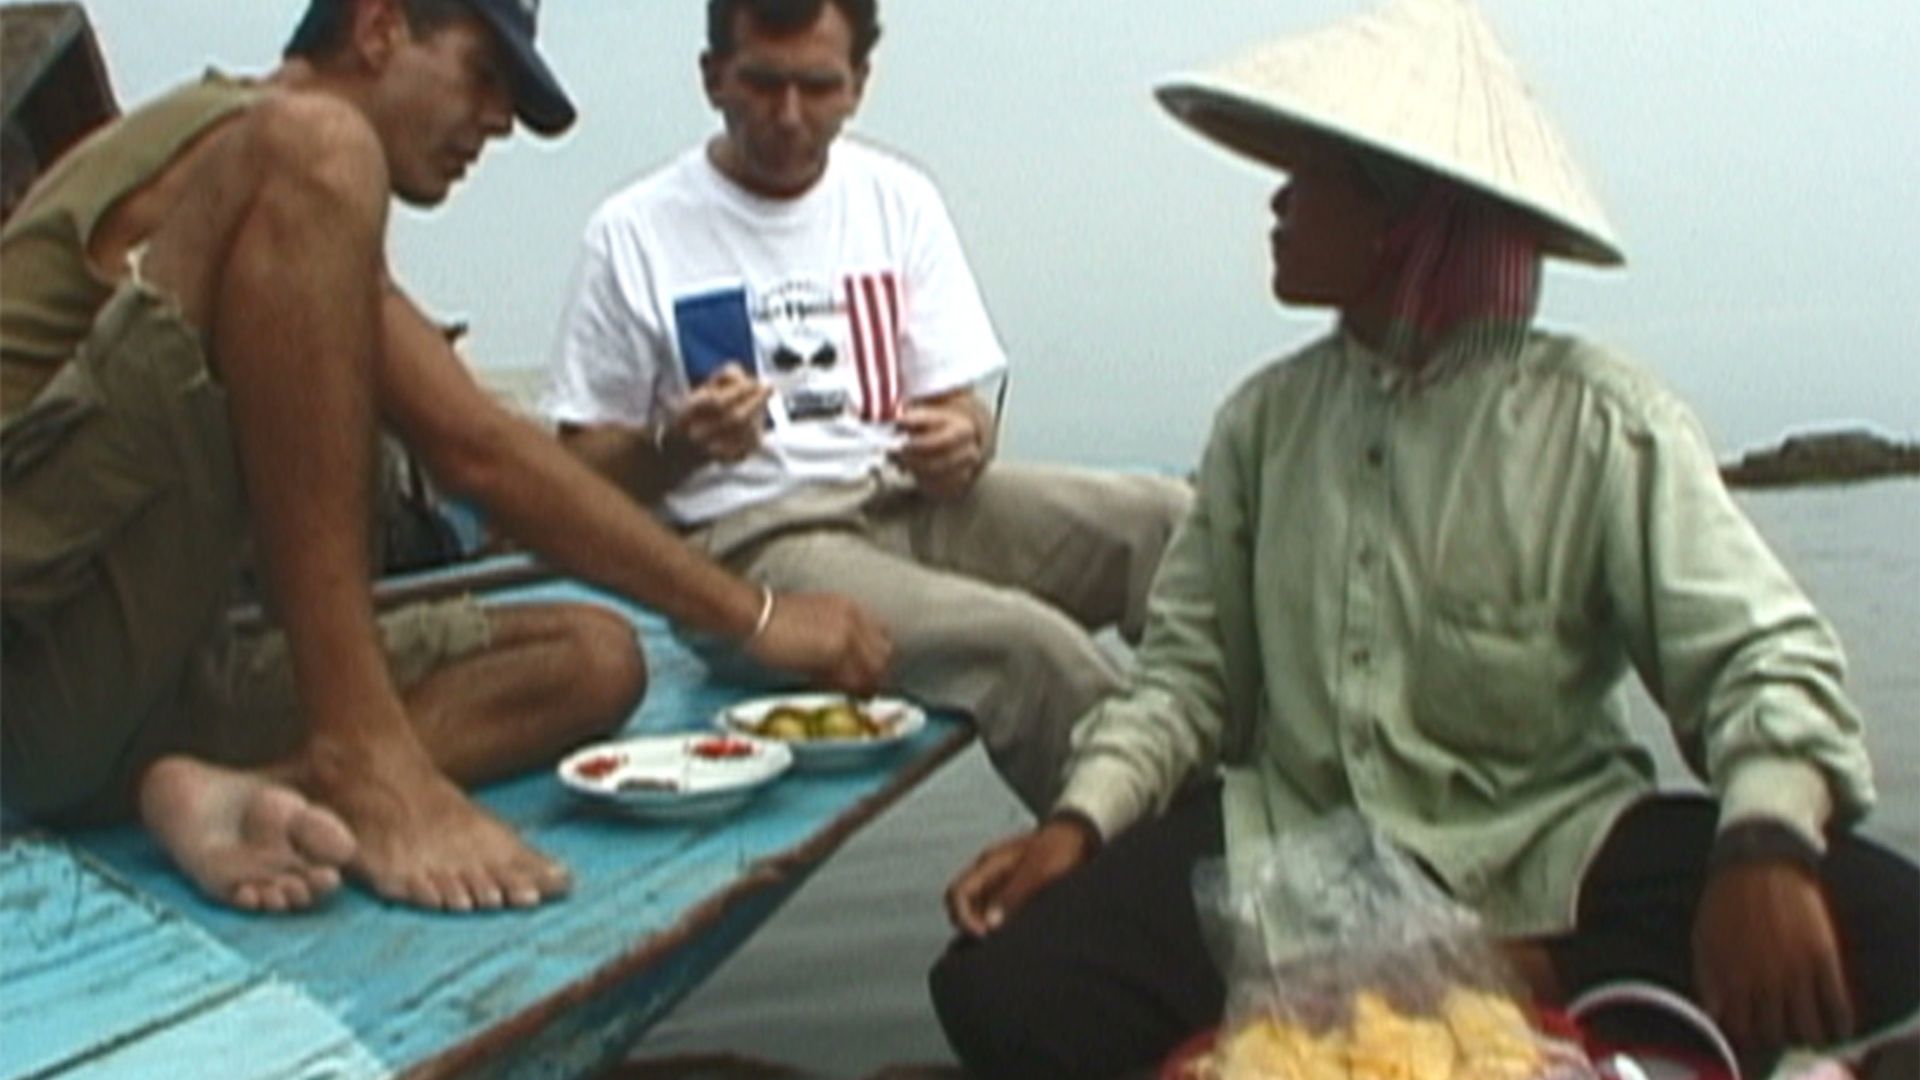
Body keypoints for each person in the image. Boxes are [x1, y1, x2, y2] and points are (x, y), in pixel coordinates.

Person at [927, 1, 1920, 1076]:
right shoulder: (1263, 424)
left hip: (1545, 863)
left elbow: (1760, 659)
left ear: (1404, 214)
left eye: (1308, 176)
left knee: (1881, 914)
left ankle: (1466, 982)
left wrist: (1764, 841)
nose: (1278, 202)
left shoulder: (1598, 420)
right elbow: (1183, 682)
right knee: (999, 987)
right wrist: (1077, 826)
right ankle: (1452, 994)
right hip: (1297, 861)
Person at [0, 0, 890, 918]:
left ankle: (247, 790)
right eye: (483, 76)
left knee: (594, 657)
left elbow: (481, 439)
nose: (498, 121)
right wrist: (756, 614)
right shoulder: (257, 149)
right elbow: (475, 455)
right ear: (381, 27)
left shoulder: (290, 219)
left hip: (130, 690)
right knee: (319, 143)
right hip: (27, 652)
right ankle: (362, 763)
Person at [545, 0, 1192, 814]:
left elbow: (962, 410)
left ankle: (1287, 769)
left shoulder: (897, 198)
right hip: (757, 546)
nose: (788, 116)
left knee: (1170, 522)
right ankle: (1170, 858)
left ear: (858, 85)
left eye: (817, 87)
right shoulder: (634, 233)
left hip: (909, 502)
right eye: (762, 84)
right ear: (713, 79)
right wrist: (680, 444)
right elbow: (570, 478)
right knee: (1026, 647)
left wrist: (966, 438)